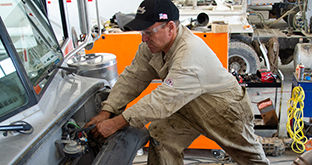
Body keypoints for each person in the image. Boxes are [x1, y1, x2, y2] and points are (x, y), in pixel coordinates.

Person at [86, 0, 270, 164]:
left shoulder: (190, 54)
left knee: (251, 160)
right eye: (142, 32)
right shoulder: (152, 47)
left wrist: (117, 122)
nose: (144, 38)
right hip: (186, 107)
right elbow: (133, 77)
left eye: (149, 32)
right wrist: (107, 110)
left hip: (224, 111)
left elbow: (162, 100)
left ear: (171, 28)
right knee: (162, 136)